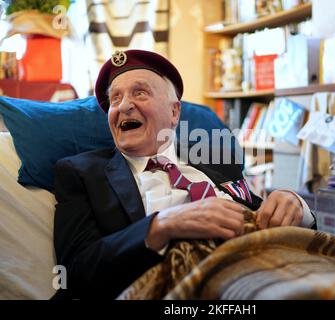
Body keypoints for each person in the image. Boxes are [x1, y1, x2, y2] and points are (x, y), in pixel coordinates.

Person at [53, 49, 316, 299]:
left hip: (270, 267)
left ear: (174, 111)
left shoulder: (218, 159)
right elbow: (76, 272)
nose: (123, 107)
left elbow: (263, 214)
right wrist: (161, 225)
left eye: (140, 93)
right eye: (116, 99)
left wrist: (294, 204)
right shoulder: (81, 173)